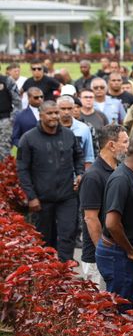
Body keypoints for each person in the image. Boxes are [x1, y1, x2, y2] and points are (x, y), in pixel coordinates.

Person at [17, 100, 84, 261]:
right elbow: (22, 169)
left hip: (67, 196)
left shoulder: (69, 135)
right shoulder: (28, 139)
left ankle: (66, 268)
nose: (54, 116)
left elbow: (79, 156)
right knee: (46, 237)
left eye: (56, 112)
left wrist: (80, 173)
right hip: (41, 198)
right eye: (50, 113)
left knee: (68, 233)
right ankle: (49, 271)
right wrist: (31, 197)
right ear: (41, 116)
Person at [97, 134, 133, 312]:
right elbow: (112, 223)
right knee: (119, 314)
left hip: (126, 251)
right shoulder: (121, 179)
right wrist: (131, 252)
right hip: (118, 254)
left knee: (125, 309)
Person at [80, 124, 128, 289]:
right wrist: (103, 254)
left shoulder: (119, 170)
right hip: (96, 256)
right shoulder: (93, 176)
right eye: (125, 142)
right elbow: (91, 218)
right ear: (112, 145)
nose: (128, 147)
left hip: (115, 252)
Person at [57, 95, 95, 168]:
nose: (66, 112)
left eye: (69, 108)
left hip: (77, 173)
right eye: (63, 109)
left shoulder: (84, 128)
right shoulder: (51, 128)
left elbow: (88, 157)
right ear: (57, 109)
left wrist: (84, 176)